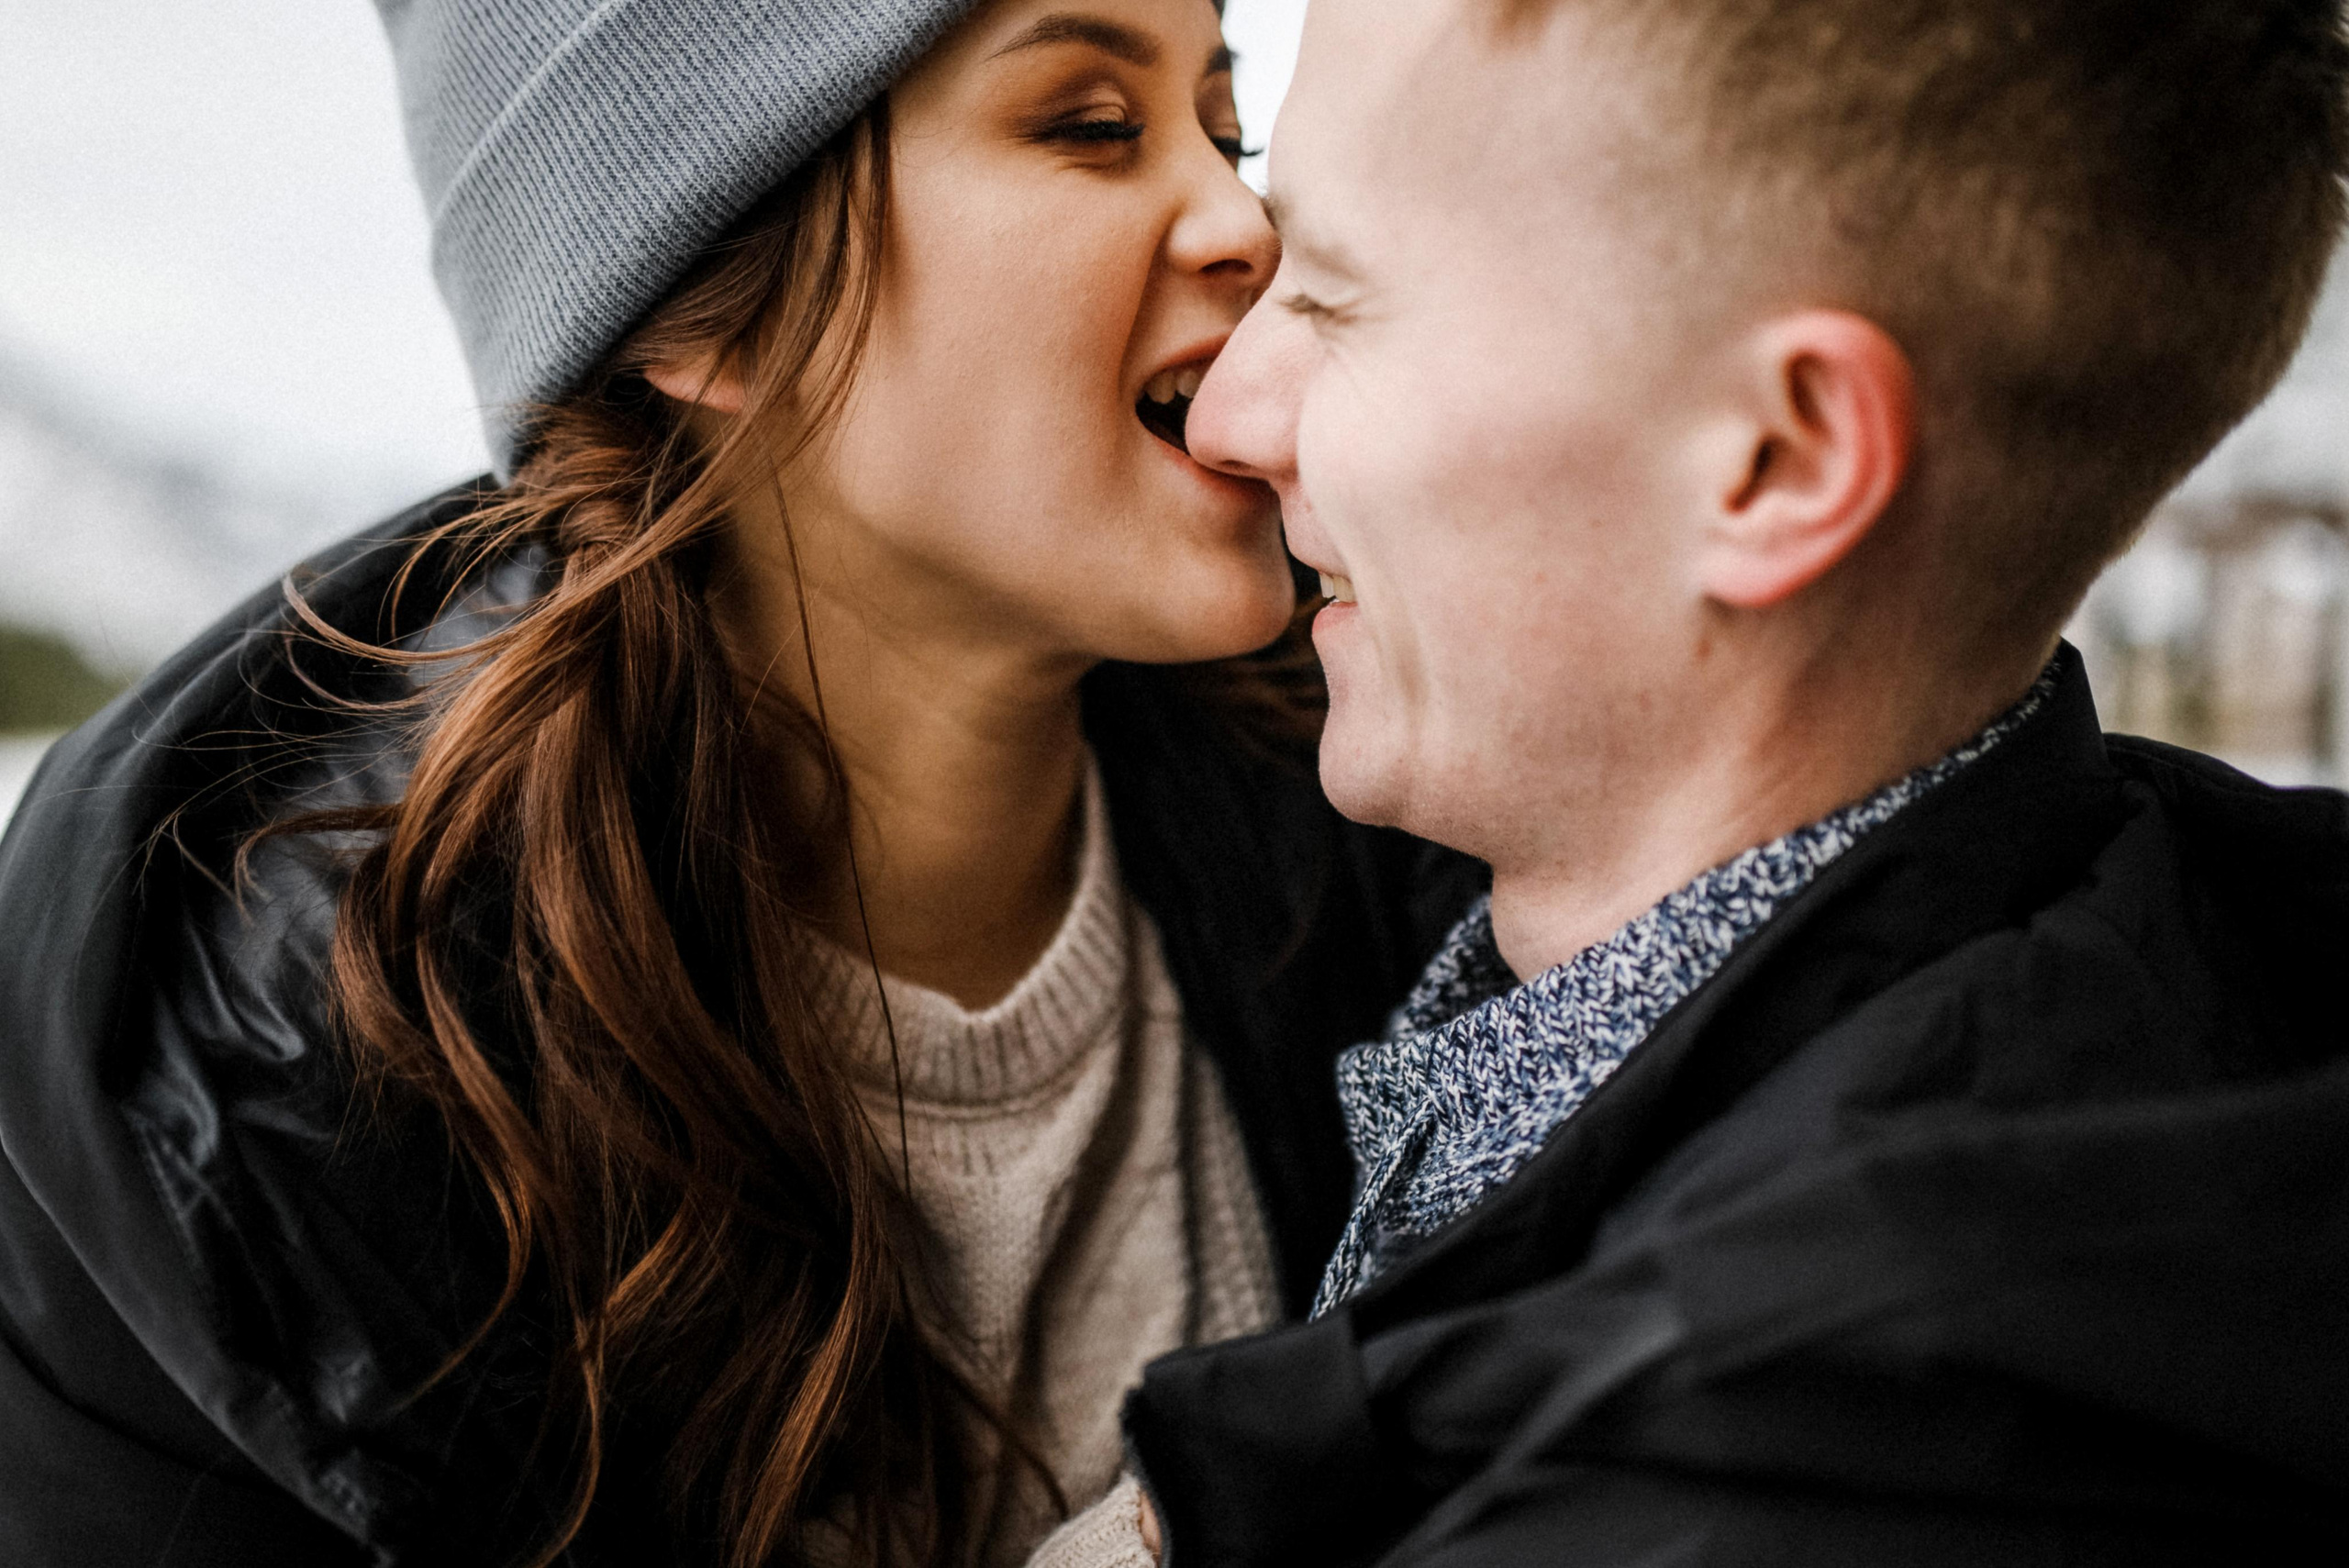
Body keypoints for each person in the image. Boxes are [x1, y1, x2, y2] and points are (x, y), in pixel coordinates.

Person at [0, 2, 1479, 1564]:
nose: (1247, 219)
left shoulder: (1408, 783)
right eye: (1091, 126)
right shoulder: (248, 1103)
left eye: (1226, 129)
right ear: (702, 300)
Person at [1100, 0, 2349, 1562]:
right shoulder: (2184, 980)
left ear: (1777, 458)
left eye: (1338, 301)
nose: (1231, 413)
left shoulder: (1719, 1488)